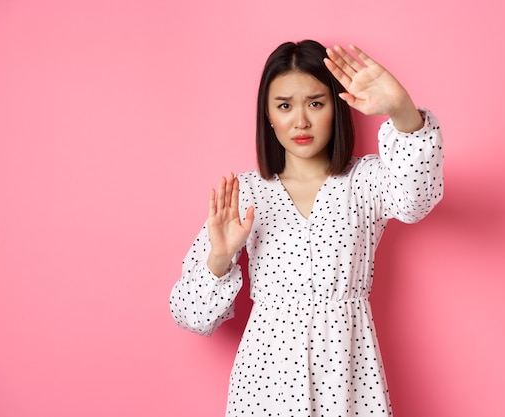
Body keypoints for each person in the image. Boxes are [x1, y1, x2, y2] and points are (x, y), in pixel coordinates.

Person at [169, 39, 444, 416]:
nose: (301, 121)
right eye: (284, 106)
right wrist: (219, 258)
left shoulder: (364, 181)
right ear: (267, 114)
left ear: (338, 106)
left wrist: (401, 110)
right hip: (264, 382)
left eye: (316, 103)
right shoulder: (246, 192)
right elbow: (191, 315)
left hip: (347, 374)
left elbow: (417, 201)